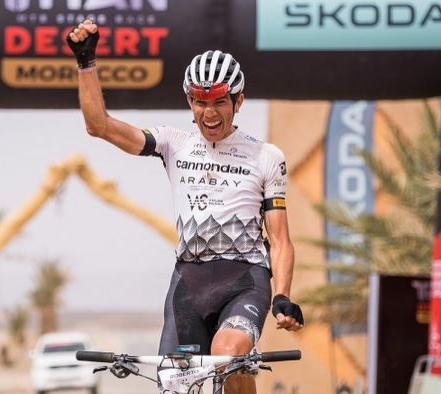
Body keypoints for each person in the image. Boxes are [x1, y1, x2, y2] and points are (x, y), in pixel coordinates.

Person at [67, 20, 304, 394]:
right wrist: (86, 62)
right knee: (178, 387)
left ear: (238, 101)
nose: (209, 114)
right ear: (189, 101)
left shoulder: (266, 156)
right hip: (188, 285)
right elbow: (100, 126)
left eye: (219, 102)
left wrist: (283, 296)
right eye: (199, 101)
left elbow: (280, 240)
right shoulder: (173, 144)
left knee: (227, 355)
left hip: (245, 281)